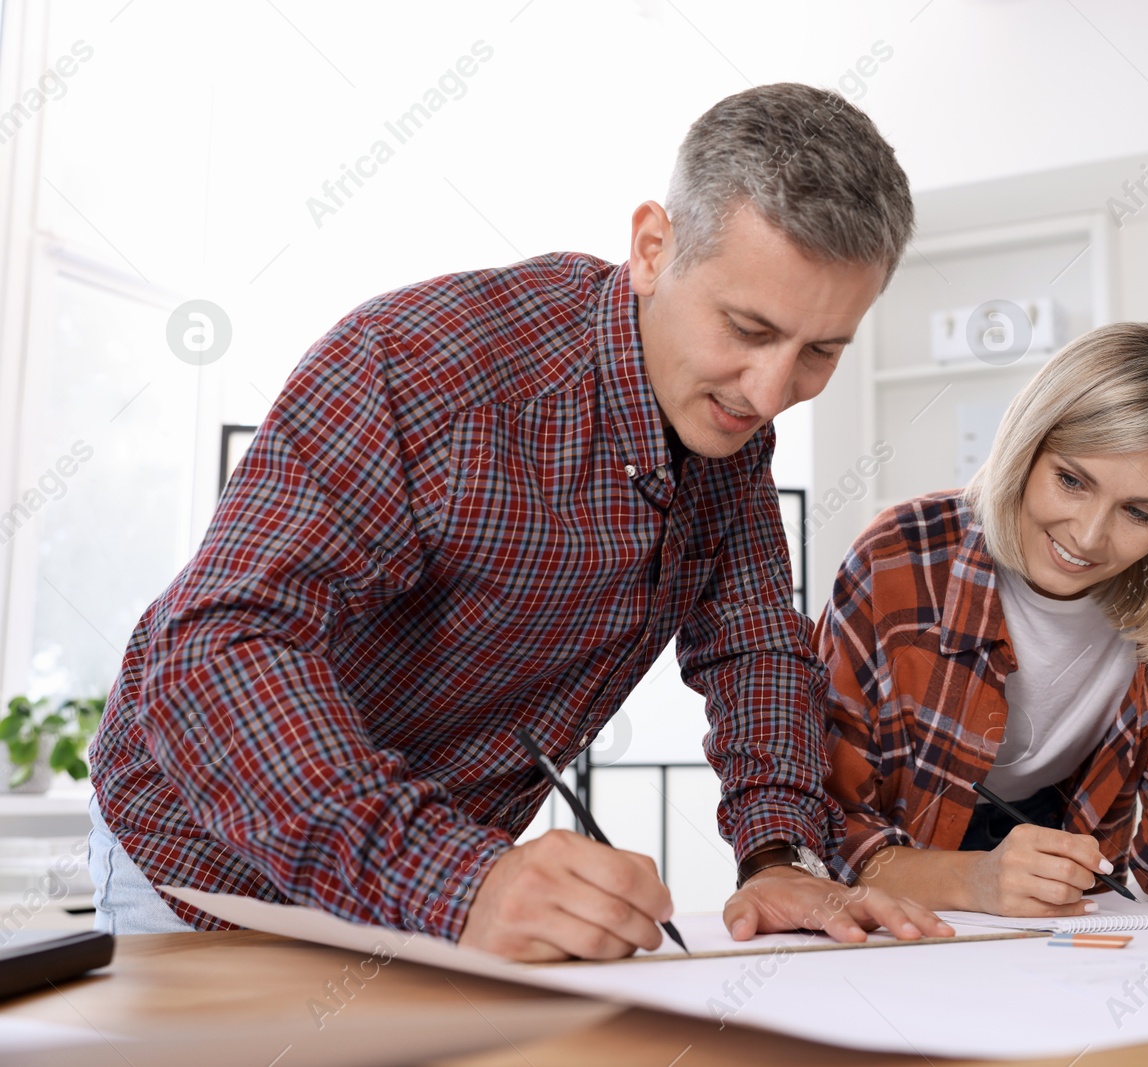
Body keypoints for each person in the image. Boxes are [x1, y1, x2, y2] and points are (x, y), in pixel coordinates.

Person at [87, 82, 954, 960]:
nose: (770, 393)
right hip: (207, 873)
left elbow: (754, 646)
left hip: (433, 896)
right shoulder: (420, 362)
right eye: (745, 327)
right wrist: (463, 880)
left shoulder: (727, 423)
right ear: (654, 248)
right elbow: (210, 651)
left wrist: (781, 857)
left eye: (819, 352)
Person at [818, 322, 1148, 929]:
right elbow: (826, 832)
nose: (1088, 535)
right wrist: (976, 877)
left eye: (1139, 513)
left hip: (1061, 880)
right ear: (1028, 448)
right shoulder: (899, 558)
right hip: (907, 872)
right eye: (1071, 481)